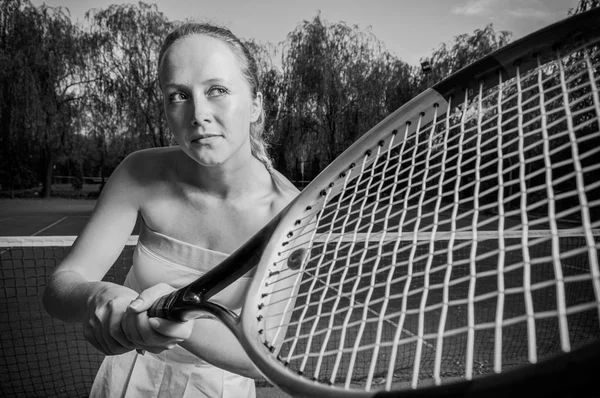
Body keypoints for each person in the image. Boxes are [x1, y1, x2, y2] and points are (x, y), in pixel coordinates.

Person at [43, 22, 298, 398]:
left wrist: (172, 316)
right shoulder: (138, 171)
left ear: (256, 103)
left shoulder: (291, 213)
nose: (198, 114)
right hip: (125, 379)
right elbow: (60, 289)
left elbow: (261, 357)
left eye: (218, 90)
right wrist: (97, 296)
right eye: (178, 95)